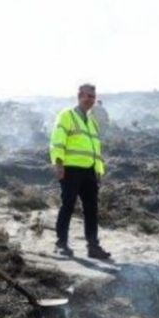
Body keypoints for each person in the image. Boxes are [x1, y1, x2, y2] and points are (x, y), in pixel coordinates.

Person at [50, 83, 111, 260]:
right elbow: (57, 141)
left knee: (91, 208)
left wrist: (98, 170)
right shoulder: (66, 115)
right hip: (71, 169)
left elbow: (95, 149)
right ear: (79, 96)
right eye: (87, 96)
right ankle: (61, 244)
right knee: (68, 205)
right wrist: (59, 164)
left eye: (93, 96)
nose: (90, 99)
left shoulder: (92, 122)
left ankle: (93, 246)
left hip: (89, 171)